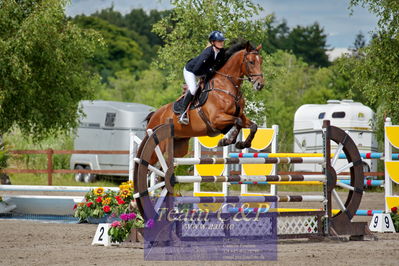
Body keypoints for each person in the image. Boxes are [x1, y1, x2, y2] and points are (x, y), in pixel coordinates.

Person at [178, 30, 226, 125]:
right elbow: (196, 70)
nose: (221, 43)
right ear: (213, 42)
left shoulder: (221, 52)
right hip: (191, 71)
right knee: (192, 89)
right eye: (219, 41)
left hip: (203, 72)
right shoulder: (207, 53)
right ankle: (182, 113)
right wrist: (209, 71)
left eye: (222, 41)